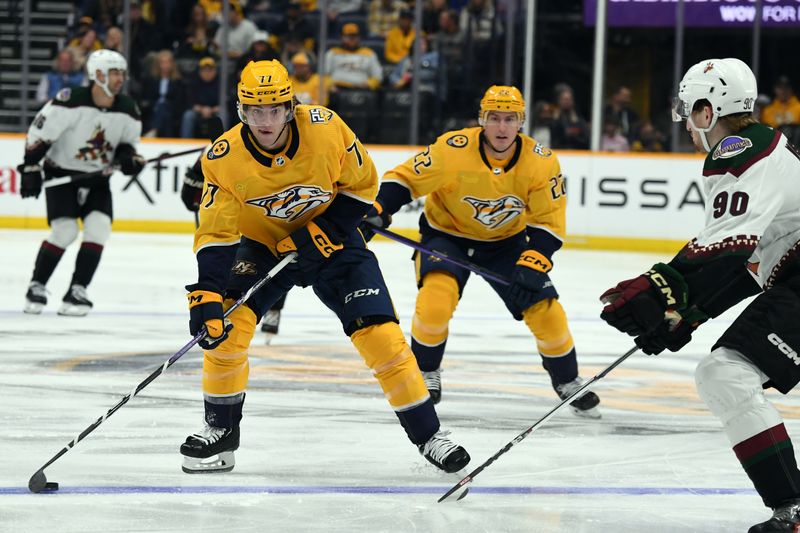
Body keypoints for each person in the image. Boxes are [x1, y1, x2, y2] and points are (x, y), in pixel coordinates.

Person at [179, 59, 470, 475]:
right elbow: (216, 233)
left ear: (290, 106)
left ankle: (430, 435)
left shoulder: (326, 128)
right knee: (226, 328)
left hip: (334, 241)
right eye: (255, 110)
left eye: (274, 109)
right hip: (263, 246)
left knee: (381, 337)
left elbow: (364, 187)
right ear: (241, 110)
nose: (265, 121)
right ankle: (221, 432)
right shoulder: (223, 157)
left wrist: (324, 229)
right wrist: (207, 292)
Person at [599, 58, 800, 533]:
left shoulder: (739, 151)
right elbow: (749, 265)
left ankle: (792, 510)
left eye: (689, 109)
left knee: (726, 373)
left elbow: (727, 250)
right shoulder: (762, 147)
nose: (686, 121)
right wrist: (684, 314)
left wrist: (658, 288)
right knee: (724, 373)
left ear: (709, 111)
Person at [359, 85, 601, 418]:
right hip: (447, 237)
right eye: (494, 118)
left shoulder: (541, 163)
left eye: (510, 119)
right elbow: (405, 179)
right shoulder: (452, 149)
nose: (502, 127)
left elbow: (549, 221)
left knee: (547, 311)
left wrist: (534, 260)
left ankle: (568, 380)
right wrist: (381, 207)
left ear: (521, 123)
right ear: (481, 120)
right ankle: (427, 371)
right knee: (435, 302)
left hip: (507, 244)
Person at [19, 49, 144, 316]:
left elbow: (128, 144)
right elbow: (40, 132)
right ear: (98, 75)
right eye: (114, 73)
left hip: (98, 178)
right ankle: (37, 285)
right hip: (62, 175)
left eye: (122, 72)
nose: (120, 78)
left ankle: (78, 290)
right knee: (65, 232)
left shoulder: (128, 108)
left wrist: (128, 158)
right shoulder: (70, 101)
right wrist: (30, 166)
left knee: (99, 229)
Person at [181, 153, 289, 336]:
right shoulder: (223, 148)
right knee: (231, 276)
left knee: (278, 258)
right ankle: (224, 305)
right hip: (233, 227)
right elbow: (189, 195)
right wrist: (199, 178)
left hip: (265, 224)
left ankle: (273, 308)